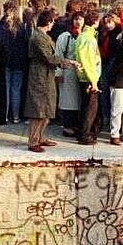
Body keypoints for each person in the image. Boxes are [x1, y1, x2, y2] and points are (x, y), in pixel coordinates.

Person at [25, 10, 78, 153]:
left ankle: (41, 137)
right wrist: (69, 62)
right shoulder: (38, 38)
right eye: (52, 21)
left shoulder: (43, 36)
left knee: (46, 108)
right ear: (48, 22)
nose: (53, 24)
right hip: (39, 76)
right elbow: (49, 58)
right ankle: (33, 141)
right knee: (38, 110)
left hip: (46, 75)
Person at [75, 12, 103, 145]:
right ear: (96, 22)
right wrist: (94, 81)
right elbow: (88, 62)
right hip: (89, 78)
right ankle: (85, 135)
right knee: (90, 108)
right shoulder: (88, 38)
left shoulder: (86, 36)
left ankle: (84, 132)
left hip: (86, 77)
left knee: (87, 106)